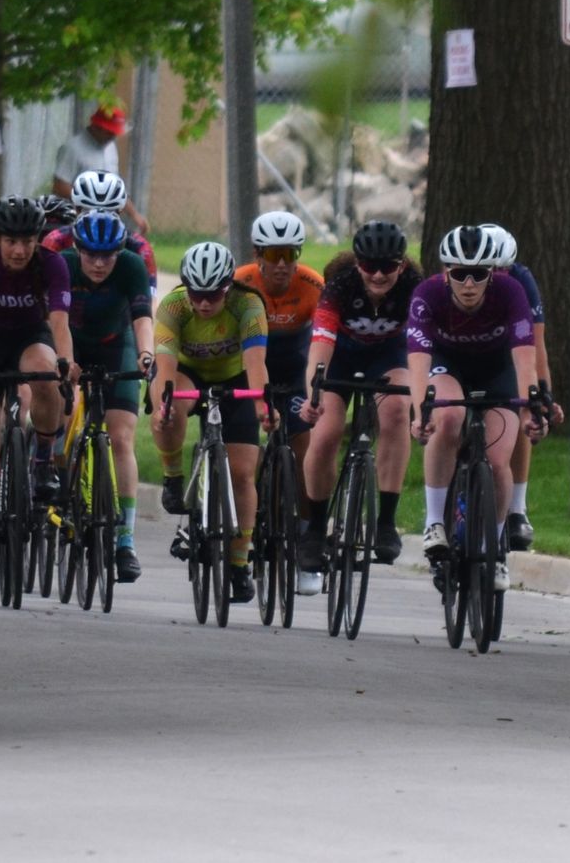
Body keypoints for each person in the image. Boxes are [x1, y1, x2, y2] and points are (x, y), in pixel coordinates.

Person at [407, 224, 549, 593]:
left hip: (496, 368)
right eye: (459, 274)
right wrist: (421, 413)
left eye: (478, 274)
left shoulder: (511, 291)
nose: (468, 284)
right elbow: (418, 364)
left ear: (492, 274)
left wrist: (532, 407)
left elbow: (524, 361)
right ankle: (434, 521)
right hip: (447, 365)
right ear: (445, 273)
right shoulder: (427, 295)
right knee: (448, 416)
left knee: (499, 460)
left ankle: (495, 549)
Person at [0, 196, 75, 579]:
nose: (20, 250)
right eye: (11, 241)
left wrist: (67, 362)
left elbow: (58, 320)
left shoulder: (52, 265)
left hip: (28, 337)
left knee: (46, 371)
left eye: (27, 241)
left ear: (38, 240)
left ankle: (41, 458)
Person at [294, 221, 420, 596]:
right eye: (370, 266)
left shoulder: (415, 287)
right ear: (358, 264)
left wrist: (421, 400)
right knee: (327, 431)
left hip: (390, 355)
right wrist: (314, 393)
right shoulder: (341, 286)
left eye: (388, 266)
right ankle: (316, 528)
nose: (379, 274)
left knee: (397, 410)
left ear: (401, 264)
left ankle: (386, 521)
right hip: (340, 357)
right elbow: (320, 343)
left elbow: (420, 348)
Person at [152, 241, 271, 606]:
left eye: (213, 295)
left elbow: (255, 364)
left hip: (235, 378)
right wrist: (162, 405)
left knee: (242, 473)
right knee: (169, 411)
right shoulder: (173, 307)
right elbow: (165, 369)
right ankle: (173, 478)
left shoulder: (248, 304)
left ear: (228, 288)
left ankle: (238, 562)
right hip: (187, 375)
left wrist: (263, 407)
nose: (204, 303)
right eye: (197, 294)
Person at [61, 210, 155, 581]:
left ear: (120, 252)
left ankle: (125, 541)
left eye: (108, 256)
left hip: (118, 345)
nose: (99, 264)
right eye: (91, 255)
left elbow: (143, 318)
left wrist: (146, 356)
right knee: (63, 418)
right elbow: (52, 318)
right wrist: (64, 361)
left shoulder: (131, 266)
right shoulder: (63, 265)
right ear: (77, 249)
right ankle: (59, 480)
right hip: (70, 345)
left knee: (121, 437)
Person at [478, 224, 566, 550]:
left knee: (522, 407)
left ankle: (517, 508)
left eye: (504, 270)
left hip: (508, 352)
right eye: (491, 270)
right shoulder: (461, 280)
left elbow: (536, 346)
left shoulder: (522, 282)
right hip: (463, 354)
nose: (498, 277)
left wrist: (543, 398)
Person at [234, 209, 322, 465]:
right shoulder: (239, 282)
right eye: (274, 254)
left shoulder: (313, 284)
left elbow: (325, 336)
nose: (282, 264)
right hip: (248, 367)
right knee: (244, 446)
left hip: (295, 368)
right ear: (257, 254)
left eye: (289, 254)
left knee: (302, 454)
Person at [43, 169, 157, 286]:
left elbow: (150, 299)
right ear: (77, 210)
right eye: (90, 212)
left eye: (108, 213)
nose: (98, 221)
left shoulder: (140, 247)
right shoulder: (56, 240)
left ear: (120, 211)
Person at [50, 105, 150, 236]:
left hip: (104, 221)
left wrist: (135, 215)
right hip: (74, 221)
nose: (113, 136)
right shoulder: (73, 148)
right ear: (96, 126)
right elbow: (59, 186)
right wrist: (90, 200)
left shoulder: (110, 148)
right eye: (109, 132)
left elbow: (114, 187)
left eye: (115, 132)